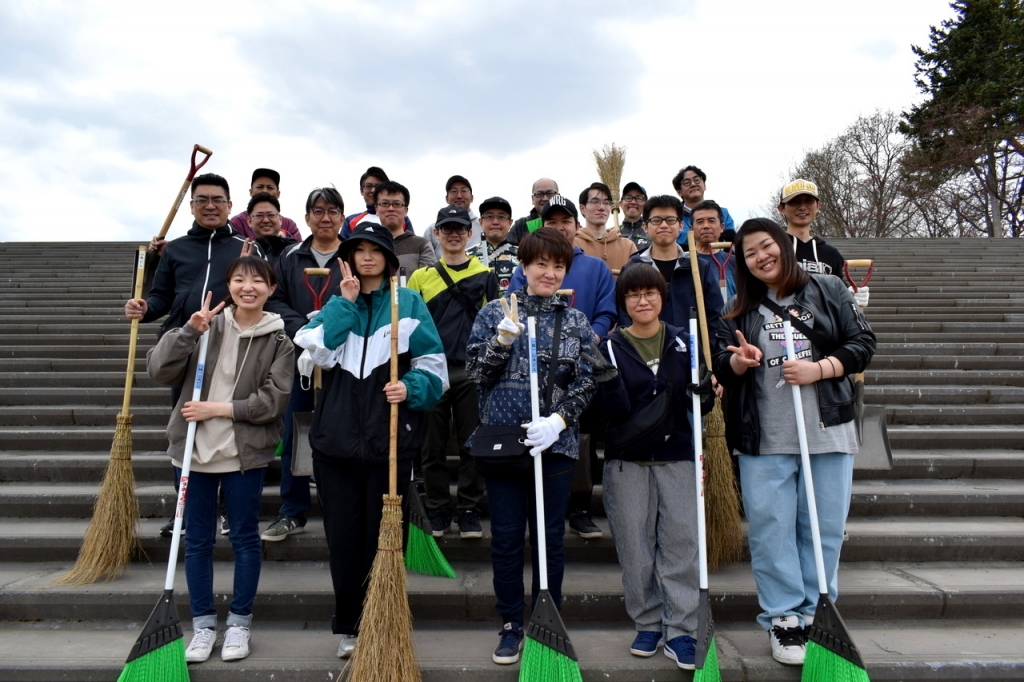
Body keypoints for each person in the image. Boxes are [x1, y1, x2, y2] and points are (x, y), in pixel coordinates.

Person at [712, 218, 876, 666]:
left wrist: (818, 369)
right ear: (743, 263)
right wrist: (741, 363)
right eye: (750, 253)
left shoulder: (829, 289)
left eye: (767, 246)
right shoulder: (738, 308)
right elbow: (723, 370)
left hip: (828, 428)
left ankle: (819, 608)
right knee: (771, 528)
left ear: (784, 244)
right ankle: (784, 617)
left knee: (822, 527)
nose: (761, 256)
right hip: (764, 435)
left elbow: (862, 343)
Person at [294, 223, 448, 659]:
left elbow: (435, 368)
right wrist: (344, 303)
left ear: (388, 256)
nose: (366, 257)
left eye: (374, 250)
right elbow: (315, 353)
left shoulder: (409, 302)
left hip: (391, 444)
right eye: (357, 249)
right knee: (343, 541)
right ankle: (350, 625)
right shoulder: (336, 304)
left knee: (383, 540)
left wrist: (411, 388)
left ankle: (383, 617)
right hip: (335, 445)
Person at [146, 256, 294, 664]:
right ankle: (204, 625)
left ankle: (240, 624)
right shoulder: (205, 326)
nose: (248, 287)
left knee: (245, 538)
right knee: (197, 541)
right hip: (191, 452)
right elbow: (158, 370)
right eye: (239, 279)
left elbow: (274, 401)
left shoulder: (280, 339)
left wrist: (218, 409)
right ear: (229, 285)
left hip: (243, 454)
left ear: (271, 289)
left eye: (257, 281)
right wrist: (188, 331)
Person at [465, 227, 597, 665]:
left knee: (549, 538)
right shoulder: (494, 312)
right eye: (541, 264)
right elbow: (477, 376)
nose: (550, 272)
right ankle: (510, 623)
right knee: (505, 538)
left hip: (554, 447)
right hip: (503, 444)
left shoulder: (575, 320)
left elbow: (587, 380)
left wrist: (560, 421)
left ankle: (546, 617)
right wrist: (501, 341)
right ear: (523, 267)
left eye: (558, 265)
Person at [125, 173, 262, 538]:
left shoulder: (244, 247)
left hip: (231, 343)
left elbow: (260, 293)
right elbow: (160, 298)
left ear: (231, 207)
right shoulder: (176, 249)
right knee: (186, 425)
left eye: (218, 199)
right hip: (185, 342)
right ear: (192, 206)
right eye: (202, 200)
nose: (211, 206)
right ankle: (185, 508)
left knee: (228, 423)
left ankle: (229, 509)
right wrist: (143, 306)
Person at [599, 265, 712, 670]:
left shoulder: (685, 342)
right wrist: (607, 387)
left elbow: (702, 403)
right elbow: (605, 415)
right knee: (635, 544)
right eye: (633, 295)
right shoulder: (609, 347)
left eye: (650, 293)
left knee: (682, 541)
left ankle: (680, 629)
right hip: (628, 462)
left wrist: (706, 391)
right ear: (622, 302)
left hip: (679, 455)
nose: (642, 301)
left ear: (663, 297)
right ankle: (647, 622)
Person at [507, 195, 617, 538]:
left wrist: (591, 339)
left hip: (580, 363)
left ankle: (581, 506)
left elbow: (607, 312)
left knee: (581, 436)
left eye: (565, 221)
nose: (559, 227)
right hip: (534, 367)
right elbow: (512, 306)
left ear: (576, 225)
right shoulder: (524, 267)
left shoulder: (595, 267)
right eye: (551, 222)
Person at [407, 205, 498, 539]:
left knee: (472, 443)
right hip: (431, 370)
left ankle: (470, 509)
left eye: (460, 228)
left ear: (470, 233)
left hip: (471, 370)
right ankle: (439, 507)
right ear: (438, 234)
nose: (454, 234)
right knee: (431, 446)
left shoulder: (484, 274)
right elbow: (411, 325)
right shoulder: (420, 277)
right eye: (447, 229)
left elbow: (495, 322)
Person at [262, 187, 346, 543]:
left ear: (342, 216)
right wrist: (305, 329)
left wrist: (333, 329)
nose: (325, 217)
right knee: (295, 430)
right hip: (298, 359)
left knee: (340, 432)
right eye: (318, 211)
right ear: (307, 216)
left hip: (344, 358)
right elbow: (275, 297)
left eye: (332, 211)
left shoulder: (353, 257)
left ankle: (338, 510)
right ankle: (292, 510)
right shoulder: (289, 256)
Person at [620, 195, 723, 339]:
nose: (663, 225)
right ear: (645, 227)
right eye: (656, 220)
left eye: (670, 220)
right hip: (647, 355)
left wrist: (708, 355)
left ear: (681, 225)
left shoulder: (698, 267)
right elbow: (624, 318)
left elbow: (715, 316)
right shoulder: (632, 269)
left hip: (693, 355)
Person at [778, 179, 869, 308]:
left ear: (818, 206)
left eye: (809, 201)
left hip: (823, 325)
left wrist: (852, 297)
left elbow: (838, 292)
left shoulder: (831, 254)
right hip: (781, 322)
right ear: (781, 209)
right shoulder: (773, 249)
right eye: (794, 202)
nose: (802, 207)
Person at [374, 180, 436, 278]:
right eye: (385, 203)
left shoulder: (421, 245)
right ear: (376, 209)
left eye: (397, 204)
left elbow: (429, 282)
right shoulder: (369, 244)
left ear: (406, 210)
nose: (391, 208)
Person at [574, 181, 638, 275]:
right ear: (582, 208)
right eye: (595, 201)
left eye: (606, 202)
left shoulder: (628, 246)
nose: (601, 207)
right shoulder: (572, 244)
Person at [340, 166, 414, 238]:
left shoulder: (402, 219)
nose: (373, 190)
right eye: (368, 186)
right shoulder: (351, 221)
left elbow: (410, 244)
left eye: (378, 186)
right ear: (361, 191)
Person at [229, 168, 303, 241]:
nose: (264, 191)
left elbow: (299, 249)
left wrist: (284, 236)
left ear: (278, 194)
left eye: (270, 187)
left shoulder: (289, 225)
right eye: (260, 187)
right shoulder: (237, 222)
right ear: (251, 192)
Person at [466, 196, 519, 294]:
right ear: (480, 222)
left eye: (501, 217)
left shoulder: (524, 255)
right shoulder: (467, 256)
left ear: (510, 222)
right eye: (489, 216)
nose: (495, 222)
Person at [423, 175, 483, 256]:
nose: (459, 196)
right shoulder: (432, 230)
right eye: (453, 191)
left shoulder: (483, 228)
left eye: (464, 191)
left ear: (472, 198)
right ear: (447, 198)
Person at [671, 165, 736, 239]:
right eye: (687, 182)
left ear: (704, 186)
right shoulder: (674, 217)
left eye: (697, 180)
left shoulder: (723, 212)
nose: (693, 184)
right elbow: (675, 236)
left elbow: (731, 237)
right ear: (679, 192)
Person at [691, 199, 736, 302]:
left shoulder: (736, 262)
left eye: (711, 220)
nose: (706, 226)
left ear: (721, 227)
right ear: (691, 228)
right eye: (700, 221)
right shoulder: (684, 262)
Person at [247, 192, 297, 264]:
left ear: (280, 219)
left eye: (271, 215)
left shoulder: (294, 249)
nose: (266, 220)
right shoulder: (245, 251)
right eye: (259, 215)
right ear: (249, 221)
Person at [507, 177, 558, 245]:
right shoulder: (520, 225)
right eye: (539, 194)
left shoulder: (569, 223)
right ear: (532, 199)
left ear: (558, 197)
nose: (545, 198)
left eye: (550, 193)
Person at [618, 181, 650, 252]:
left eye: (639, 198)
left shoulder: (652, 232)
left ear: (646, 205)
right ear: (620, 204)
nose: (633, 202)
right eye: (628, 197)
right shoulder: (612, 233)